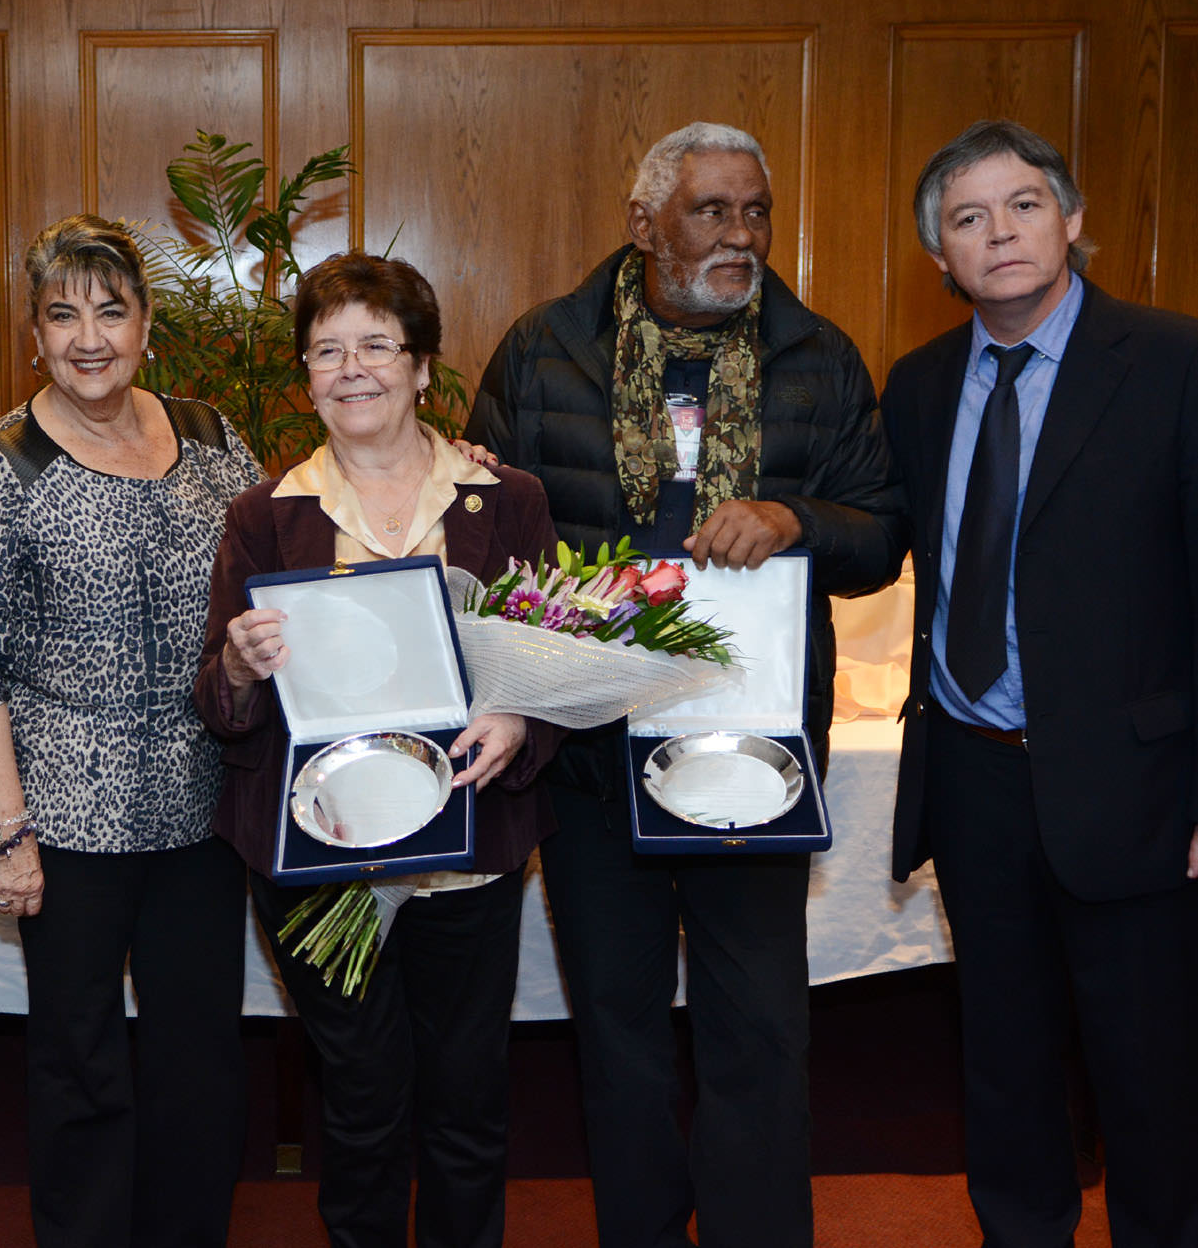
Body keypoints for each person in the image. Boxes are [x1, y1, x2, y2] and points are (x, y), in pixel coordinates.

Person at [465, 122, 903, 1248]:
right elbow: (482, 539)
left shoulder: (818, 356)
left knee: (758, 1027)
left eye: (754, 210)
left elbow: (882, 535)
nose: (741, 234)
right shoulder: (543, 351)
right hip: (589, 752)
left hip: (751, 754)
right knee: (617, 1032)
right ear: (642, 222)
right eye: (712, 210)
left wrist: (795, 518)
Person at [195, 251, 563, 1248]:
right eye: (325, 350)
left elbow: (549, 664)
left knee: (466, 1106)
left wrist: (521, 715)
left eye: (374, 345)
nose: (350, 368)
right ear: (305, 375)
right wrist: (236, 662)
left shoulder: (508, 499)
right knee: (360, 1106)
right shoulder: (264, 516)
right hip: (325, 858)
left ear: (421, 365)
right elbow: (219, 707)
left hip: (467, 852)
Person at [880, 119, 1198, 1248]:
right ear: (941, 259)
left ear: (1070, 220)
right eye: (967, 219)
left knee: (1152, 1073)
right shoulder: (917, 386)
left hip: (1137, 784)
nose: (997, 233)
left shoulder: (1170, 361)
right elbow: (880, 537)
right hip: (974, 777)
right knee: (1002, 1063)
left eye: (1021, 206)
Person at [0, 214, 261, 1248]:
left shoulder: (208, 435)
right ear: (33, 332)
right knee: (78, 1065)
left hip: (207, 811)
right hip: (68, 820)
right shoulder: (3, 466)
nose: (88, 336)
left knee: (199, 1062)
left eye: (110, 311)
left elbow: (284, 556)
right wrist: (5, 829)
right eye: (62, 313)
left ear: (146, 324)